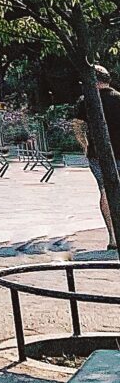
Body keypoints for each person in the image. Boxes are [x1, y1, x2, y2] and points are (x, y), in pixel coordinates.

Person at [72, 66, 120, 250]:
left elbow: (77, 127)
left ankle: (113, 237)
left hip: (98, 155)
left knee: (105, 191)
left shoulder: (86, 101)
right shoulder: (118, 98)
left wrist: (85, 146)